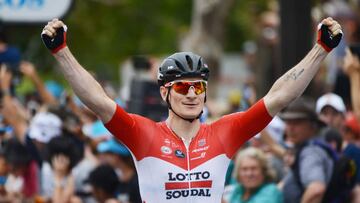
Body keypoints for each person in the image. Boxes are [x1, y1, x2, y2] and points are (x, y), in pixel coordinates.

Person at [40, 17, 342, 202]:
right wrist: (61, 52)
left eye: (198, 87)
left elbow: (279, 96)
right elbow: (97, 100)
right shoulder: (142, 134)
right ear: (164, 92)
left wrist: (321, 49)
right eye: (182, 87)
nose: (192, 95)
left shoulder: (225, 132)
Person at [278, 97, 335, 203]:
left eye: (297, 122)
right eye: (288, 122)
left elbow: (316, 189)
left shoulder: (310, 152)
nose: (290, 128)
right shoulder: (303, 148)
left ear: (313, 126)